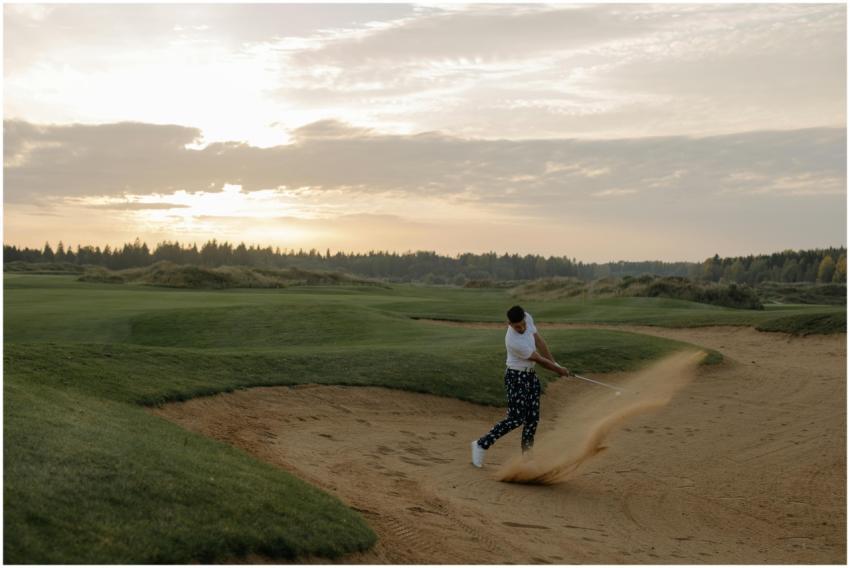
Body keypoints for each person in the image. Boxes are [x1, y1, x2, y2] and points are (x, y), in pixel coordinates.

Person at [471, 305, 571, 468]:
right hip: (516, 377)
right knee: (516, 418)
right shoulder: (513, 341)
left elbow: (538, 340)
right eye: (517, 326)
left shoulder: (527, 318)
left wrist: (555, 363)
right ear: (509, 324)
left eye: (523, 324)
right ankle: (481, 444)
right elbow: (538, 359)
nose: (522, 328)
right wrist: (558, 370)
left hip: (530, 376)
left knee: (532, 419)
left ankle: (527, 458)